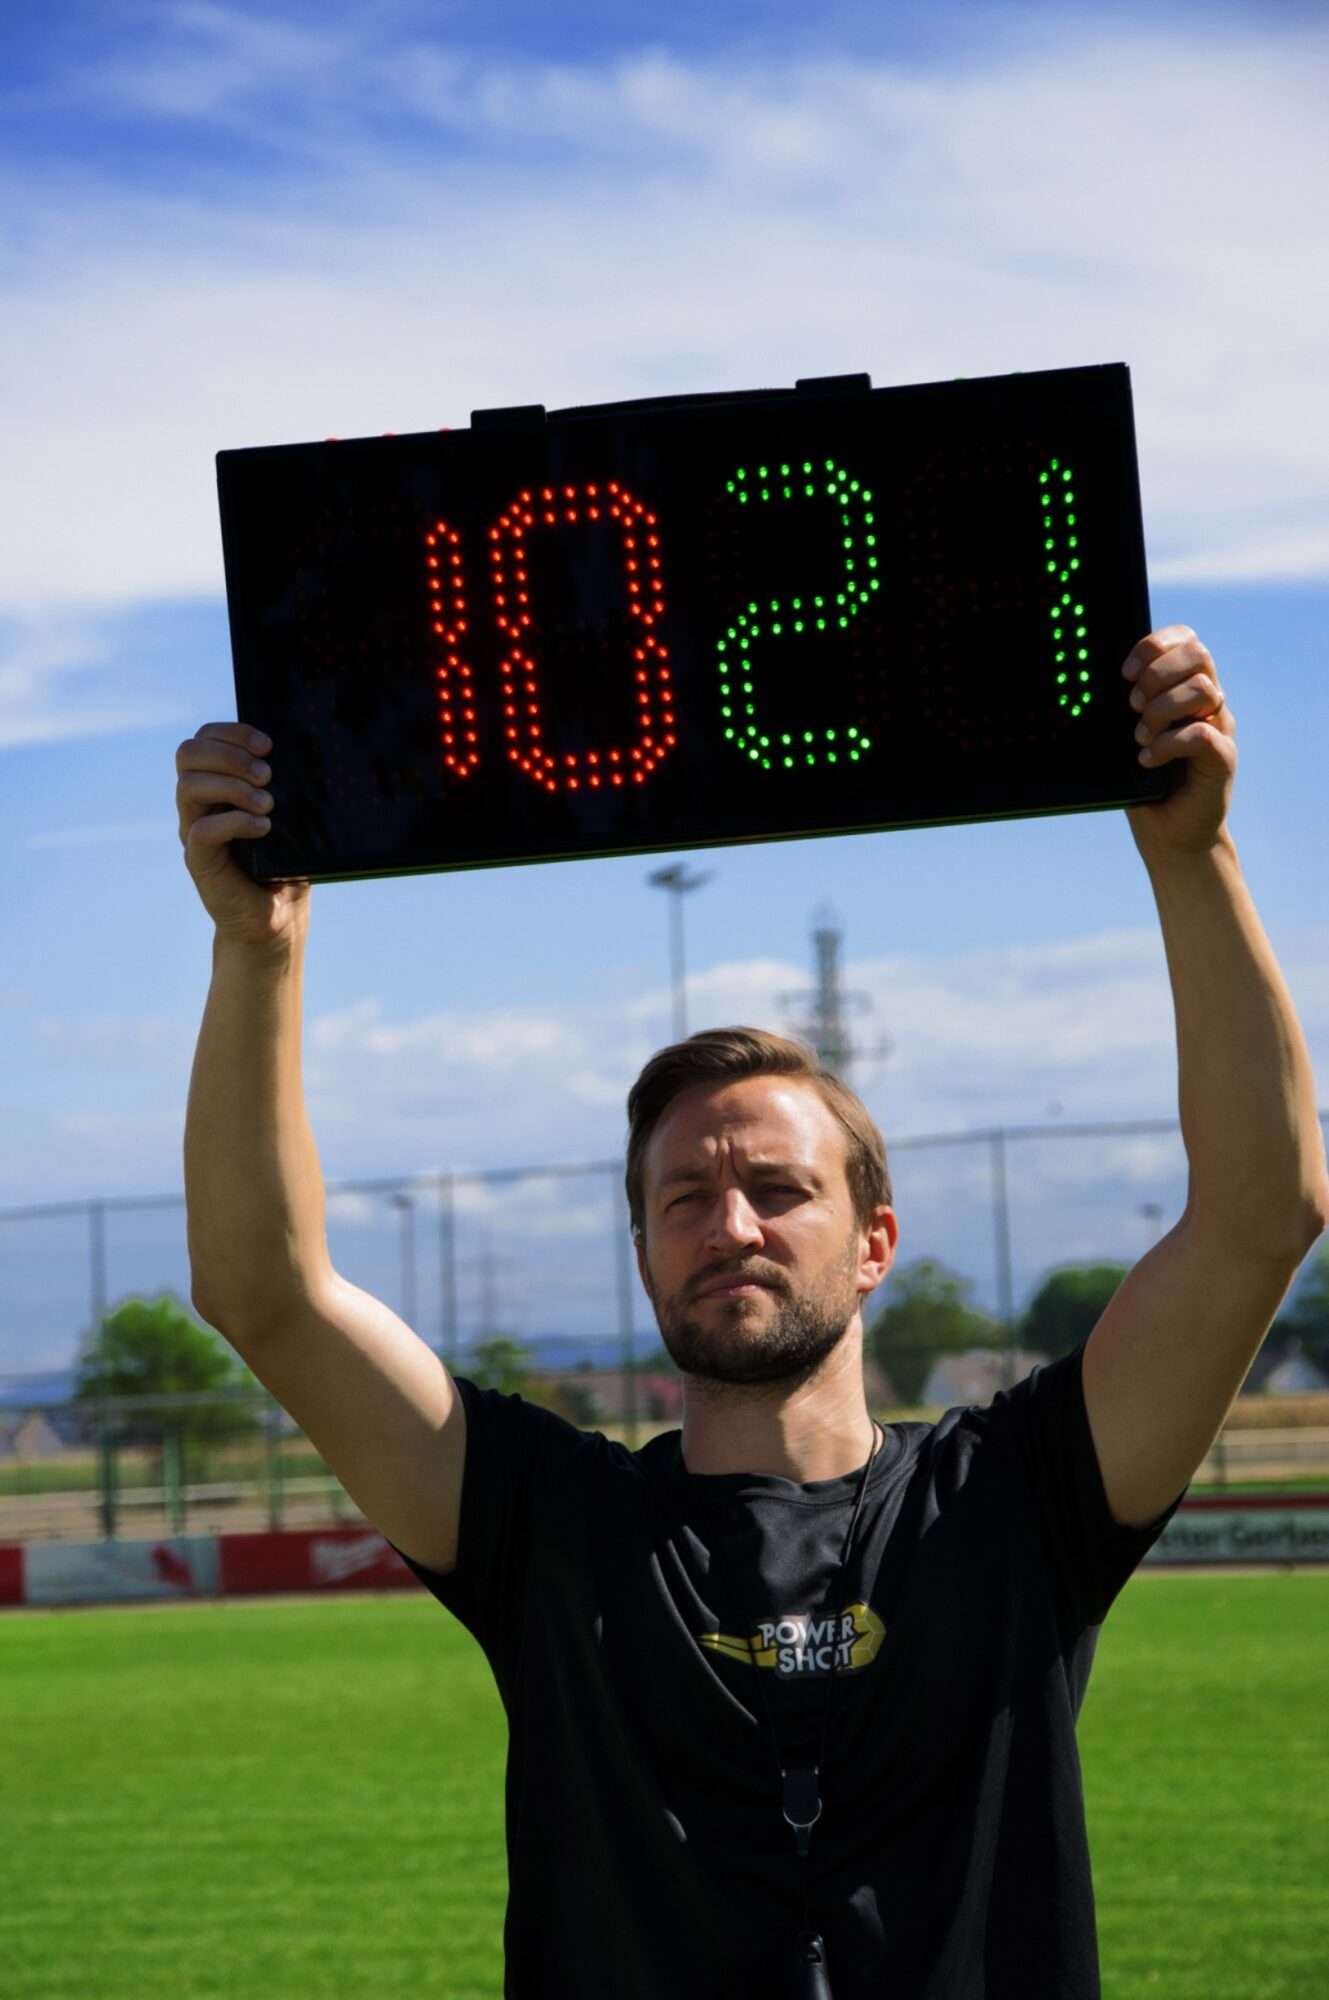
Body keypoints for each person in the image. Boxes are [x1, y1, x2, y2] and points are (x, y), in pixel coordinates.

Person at [180, 624, 1328, 1998]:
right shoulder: (551, 1530)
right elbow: (264, 1293)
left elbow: (1261, 1215)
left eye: (779, 1190)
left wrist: (1193, 855)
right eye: (684, 1199)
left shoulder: (1017, 1501)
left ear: (875, 1243)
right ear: (640, 1253)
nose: (729, 1226)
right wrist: (257, 951)